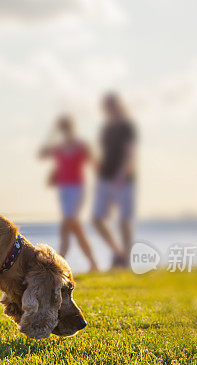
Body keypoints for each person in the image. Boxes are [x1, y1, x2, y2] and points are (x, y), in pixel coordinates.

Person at [39, 114, 98, 271]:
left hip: (77, 189)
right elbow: (42, 153)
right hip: (63, 190)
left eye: (66, 127)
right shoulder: (59, 148)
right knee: (76, 228)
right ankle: (93, 263)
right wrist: (51, 131)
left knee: (67, 224)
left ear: (71, 128)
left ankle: (59, 263)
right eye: (62, 128)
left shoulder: (81, 146)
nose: (65, 131)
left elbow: (95, 163)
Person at [92, 93, 137, 269]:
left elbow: (130, 152)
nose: (110, 108)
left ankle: (125, 260)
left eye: (112, 105)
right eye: (107, 106)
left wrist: (122, 173)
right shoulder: (107, 129)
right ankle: (118, 252)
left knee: (124, 220)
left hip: (124, 180)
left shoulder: (127, 127)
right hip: (105, 179)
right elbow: (104, 153)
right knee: (97, 218)